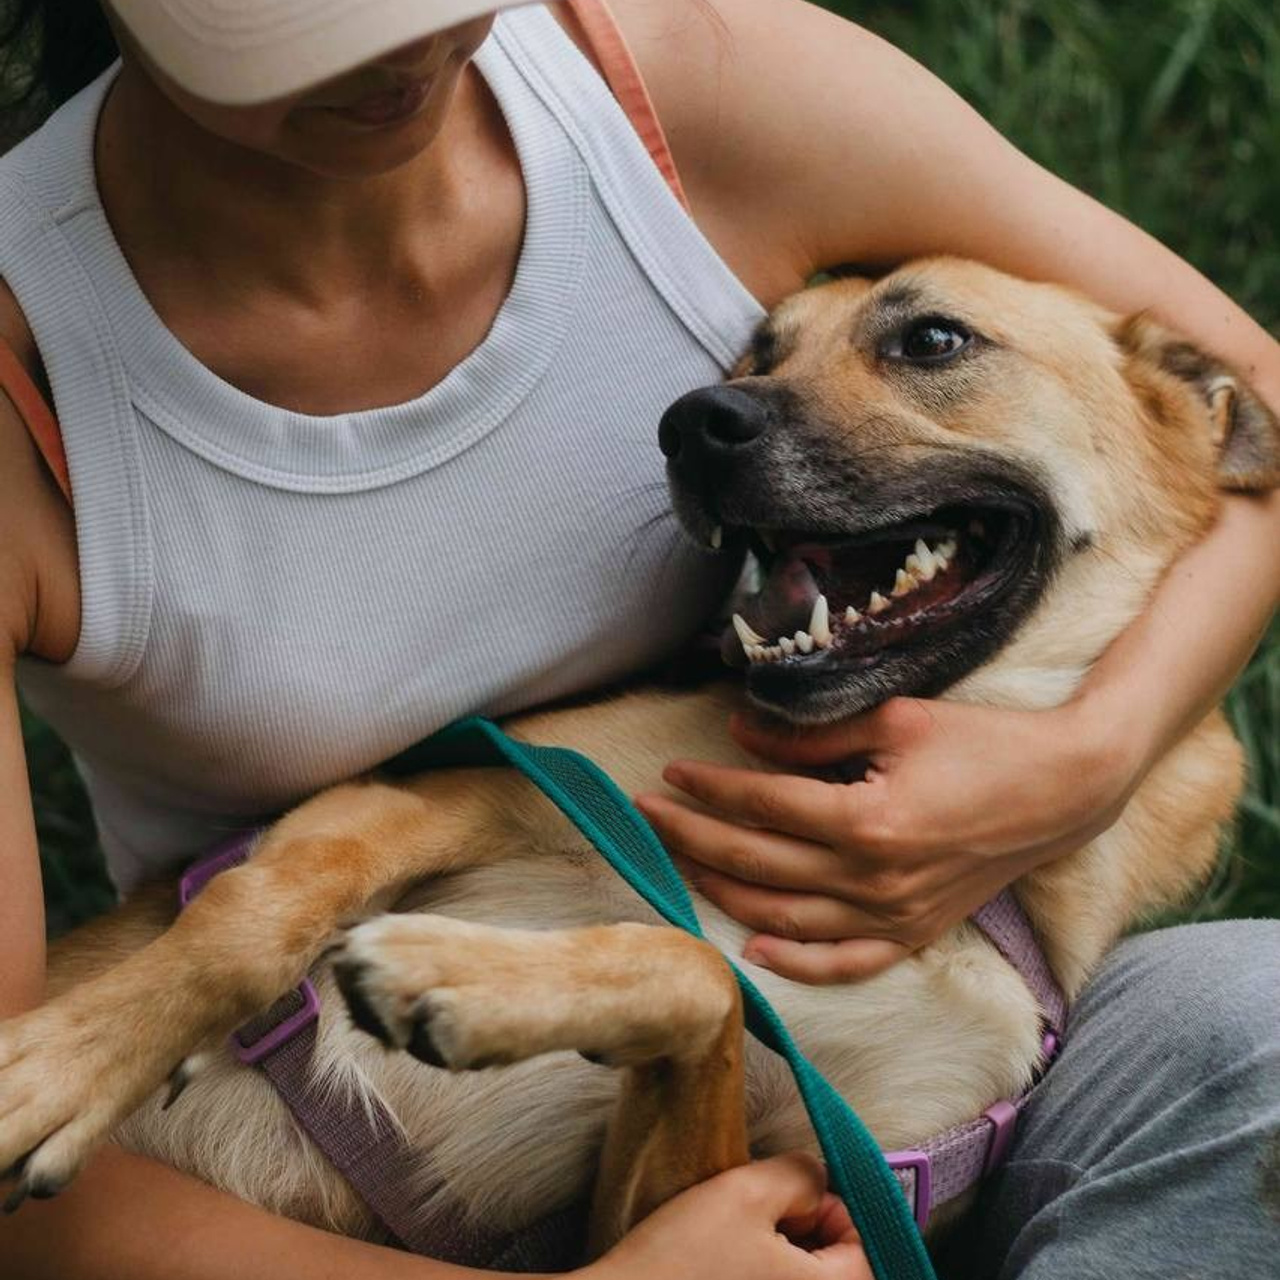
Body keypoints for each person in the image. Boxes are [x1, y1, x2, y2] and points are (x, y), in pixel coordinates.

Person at [0, 1, 1275, 1278]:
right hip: (201, 1199)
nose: (395, 50)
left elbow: (1258, 405)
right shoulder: (30, 351)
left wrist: (1088, 760)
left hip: (679, 1144)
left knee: (1255, 1026)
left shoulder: (707, 80)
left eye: (925, 347)